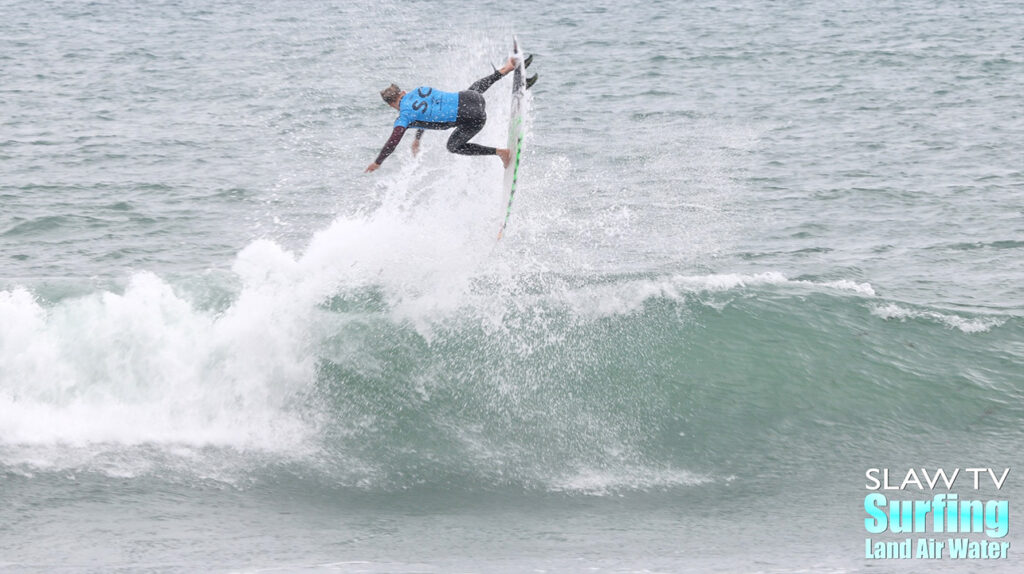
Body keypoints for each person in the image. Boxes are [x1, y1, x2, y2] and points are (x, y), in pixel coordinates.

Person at [364, 57, 521, 173]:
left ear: (392, 105)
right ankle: (505, 69)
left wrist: (378, 162)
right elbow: (428, 112)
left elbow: (393, 142)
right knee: (471, 90)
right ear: (403, 92)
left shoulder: (403, 117)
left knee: (453, 146)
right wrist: (417, 139)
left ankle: (501, 153)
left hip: (476, 118)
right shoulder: (419, 90)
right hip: (474, 98)